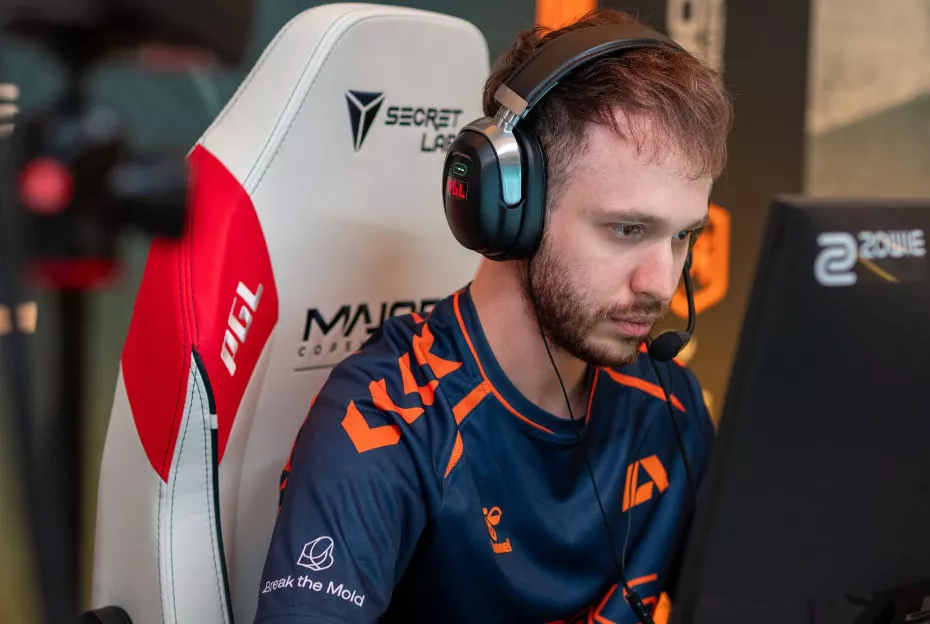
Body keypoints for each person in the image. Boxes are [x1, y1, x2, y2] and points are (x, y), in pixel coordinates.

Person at [254, 8, 733, 623]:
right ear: (511, 208)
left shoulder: (668, 403)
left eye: (683, 236)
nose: (661, 284)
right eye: (626, 229)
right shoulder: (386, 422)